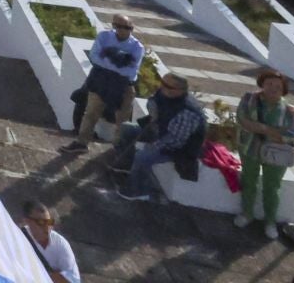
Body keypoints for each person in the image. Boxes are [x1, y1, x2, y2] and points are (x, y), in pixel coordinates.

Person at [108, 71, 207, 203]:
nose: (163, 87)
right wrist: (153, 111)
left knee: (143, 157)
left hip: (178, 148)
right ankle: (125, 166)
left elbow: (176, 139)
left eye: (168, 86)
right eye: (163, 83)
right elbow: (153, 100)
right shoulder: (165, 92)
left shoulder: (187, 112)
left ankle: (139, 190)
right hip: (160, 131)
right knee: (127, 129)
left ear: (180, 90)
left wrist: (155, 145)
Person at [234, 68, 294, 238]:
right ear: (262, 84)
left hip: (275, 154)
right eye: (269, 83)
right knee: (249, 181)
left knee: (272, 187)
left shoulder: (289, 111)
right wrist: (271, 131)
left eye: (278, 85)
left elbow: (291, 135)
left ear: (283, 89)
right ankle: (247, 213)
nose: (273, 88)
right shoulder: (249, 100)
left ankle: (270, 221)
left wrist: (262, 129)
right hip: (250, 148)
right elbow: (242, 119)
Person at [63, 15, 145, 151]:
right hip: (101, 80)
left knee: (122, 119)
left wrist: (107, 59)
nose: (122, 30)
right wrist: (118, 62)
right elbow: (95, 57)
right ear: (114, 26)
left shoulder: (137, 46)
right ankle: (81, 143)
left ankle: (118, 148)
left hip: (123, 85)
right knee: (91, 113)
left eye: (127, 27)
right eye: (118, 26)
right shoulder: (104, 37)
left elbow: (131, 71)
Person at [18, 201, 81, 283]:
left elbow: (73, 279)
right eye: (41, 222)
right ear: (27, 221)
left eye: (49, 222)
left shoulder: (60, 243)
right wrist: (55, 276)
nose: (47, 227)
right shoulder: (19, 239)